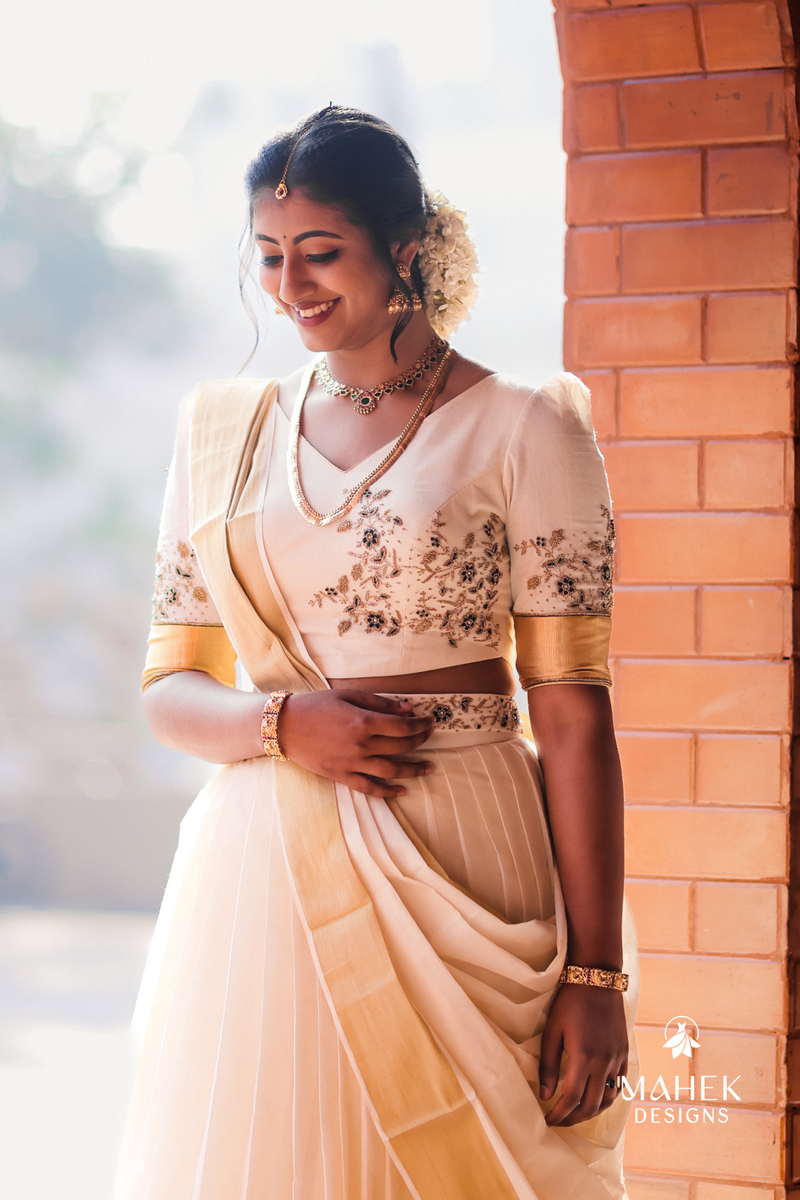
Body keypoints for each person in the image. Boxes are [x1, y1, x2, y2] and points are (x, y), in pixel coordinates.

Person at [114, 106, 639, 1200]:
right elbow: (169, 690)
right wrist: (281, 725)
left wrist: (595, 973)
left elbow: (574, 709)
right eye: (268, 257)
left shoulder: (524, 426)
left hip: (462, 839)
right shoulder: (222, 431)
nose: (289, 286)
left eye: (319, 253)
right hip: (263, 858)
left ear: (406, 246)